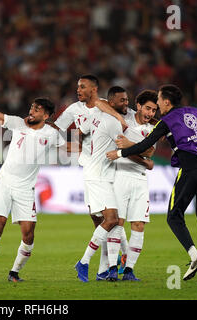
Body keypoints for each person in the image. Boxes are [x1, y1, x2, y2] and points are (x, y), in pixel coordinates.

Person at [0, 73, 68, 283]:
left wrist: (96, 148)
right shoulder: (18, 124)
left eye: (37, 109)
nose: (31, 111)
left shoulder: (52, 133)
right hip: (5, 182)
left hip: (26, 188)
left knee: (28, 235)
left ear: (46, 116)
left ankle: (14, 273)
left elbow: (69, 148)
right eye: (31, 107)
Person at [107, 84, 197, 281]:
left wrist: (119, 153)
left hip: (191, 169)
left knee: (174, 217)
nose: (157, 105)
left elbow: (144, 145)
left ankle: (195, 257)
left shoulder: (166, 121)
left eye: (159, 100)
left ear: (167, 102)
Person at [53, 79, 129, 279]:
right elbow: (57, 129)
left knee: (110, 220)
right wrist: (69, 146)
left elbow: (100, 105)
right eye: (77, 86)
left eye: (82, 87)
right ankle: (112, 263)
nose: (78, 90)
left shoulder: (102, 107)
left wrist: (117, 119)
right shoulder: (75, 109)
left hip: (106, 169)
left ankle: (106, 267)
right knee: (103, 222)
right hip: (92, 168)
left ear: (94, 89)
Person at [110, 89, 158, 281]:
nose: (150, 113)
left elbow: (150, 152)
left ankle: (129, 270)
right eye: (147, 108)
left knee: (138, 224)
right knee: (117, 222)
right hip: (120, 175)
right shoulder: (124, 117)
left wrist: (130, 146)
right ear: (137, 106)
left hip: (140, 178)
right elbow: (103, 102)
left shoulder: (153, 128)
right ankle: (113, 268)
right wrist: (144, 159)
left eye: (154, 111)